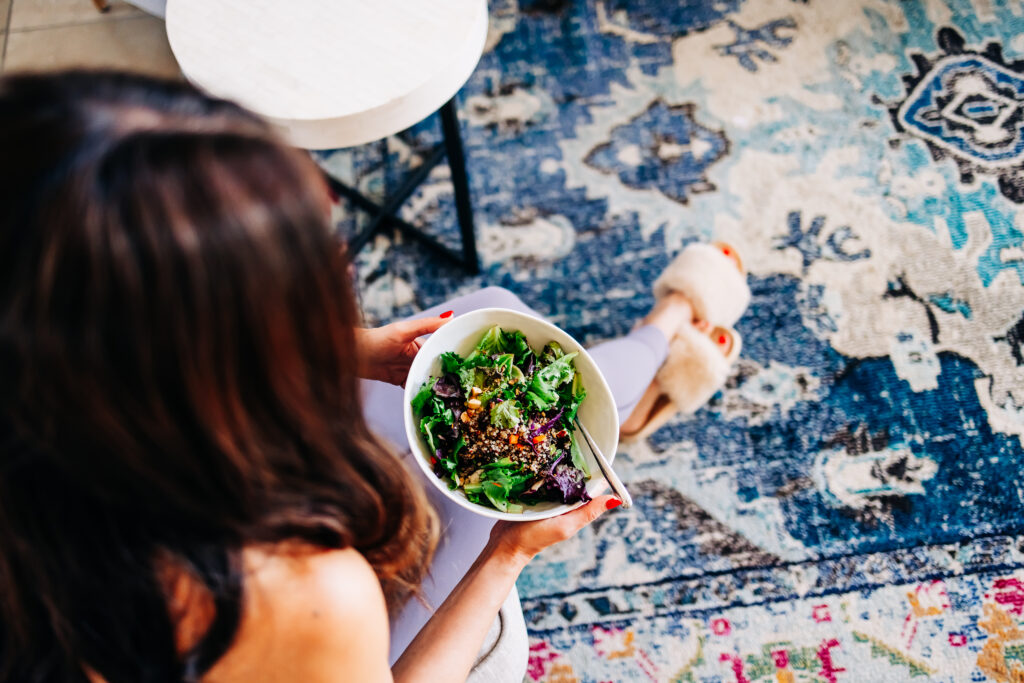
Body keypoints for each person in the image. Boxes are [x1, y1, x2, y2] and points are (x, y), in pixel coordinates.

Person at [0, 71, 749, 683]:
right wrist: (507, 556)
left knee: (491, 310)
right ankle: (669, 331)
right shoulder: (306, 596)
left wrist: (354, 351)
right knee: (508, 471)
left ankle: (659, 346)